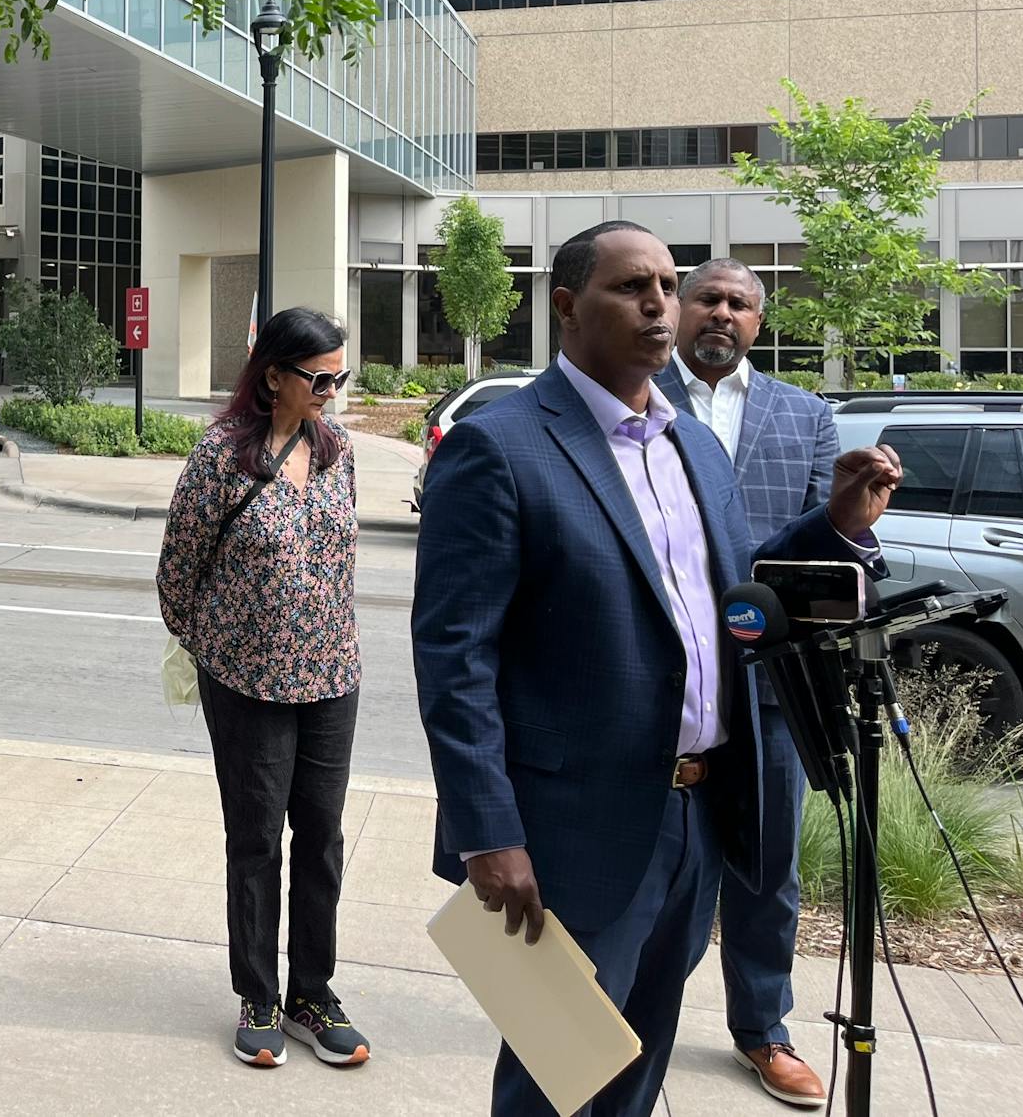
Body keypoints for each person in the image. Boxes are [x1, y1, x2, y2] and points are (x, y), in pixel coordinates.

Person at [412, 221, 901, 1117]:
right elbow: (455, 655)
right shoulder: (503, 444)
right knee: (556, 1077)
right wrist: (489, 833)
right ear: (565, 306)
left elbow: (734, 593)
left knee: (638, 1064)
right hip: (571, 831)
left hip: (695, 819)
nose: (660, 305)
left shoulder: (691, 444)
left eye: (669, 286)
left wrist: (834, 525)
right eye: (632, 286)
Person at [156, 307, 370, 1072]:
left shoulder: (338, 449)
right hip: (247, 682)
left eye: (342, 375)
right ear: (273, 375)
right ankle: (259, 995)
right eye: (320, 378)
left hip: (332, 676)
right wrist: (221, 648)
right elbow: (177, 572)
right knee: (256, 842)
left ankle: (314, 992)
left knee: (322, 839)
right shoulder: (221, 457)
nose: (334, 391)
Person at [656, 258, 838, 1109]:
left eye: (739, 303)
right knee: (647, 862)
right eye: (708, 299)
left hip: (769, 685)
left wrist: (851, 526)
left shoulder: (806, 417)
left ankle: (762, 1029)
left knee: (768, 869)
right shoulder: (634, 398)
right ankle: (624, 1014)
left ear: (759, 321)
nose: (721, 314)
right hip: (658, 682)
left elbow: (822, 552)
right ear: (679, 309)